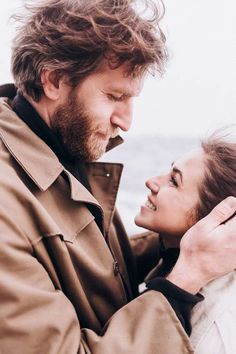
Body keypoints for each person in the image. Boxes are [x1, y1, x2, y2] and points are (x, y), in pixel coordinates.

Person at [0, 0, 236, 353]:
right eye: (115, 96)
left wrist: (179, 238)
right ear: (54, 80)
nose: (126, 121)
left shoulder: (58, 151)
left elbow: (84, 258)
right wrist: (184, 279)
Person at [135, 131, 236, 354]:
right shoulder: (168, 263)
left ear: (213, 217)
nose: (151, 182)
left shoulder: (214, 329)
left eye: (173, 181)